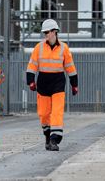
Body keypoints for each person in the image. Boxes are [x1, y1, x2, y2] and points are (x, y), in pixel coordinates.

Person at [25, 18, 78, 151]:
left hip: (58, 82)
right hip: (43, 82)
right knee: (44, 113)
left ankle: (55, 139)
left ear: (55, 32)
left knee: (57, 112)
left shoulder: (64, 48)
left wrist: (74, 84)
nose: (46, 35)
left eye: (48, 32)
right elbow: (32, 65)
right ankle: (48, 137)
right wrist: (31, 81)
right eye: (45, 33)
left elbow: (70, 67)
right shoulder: (39, 47)